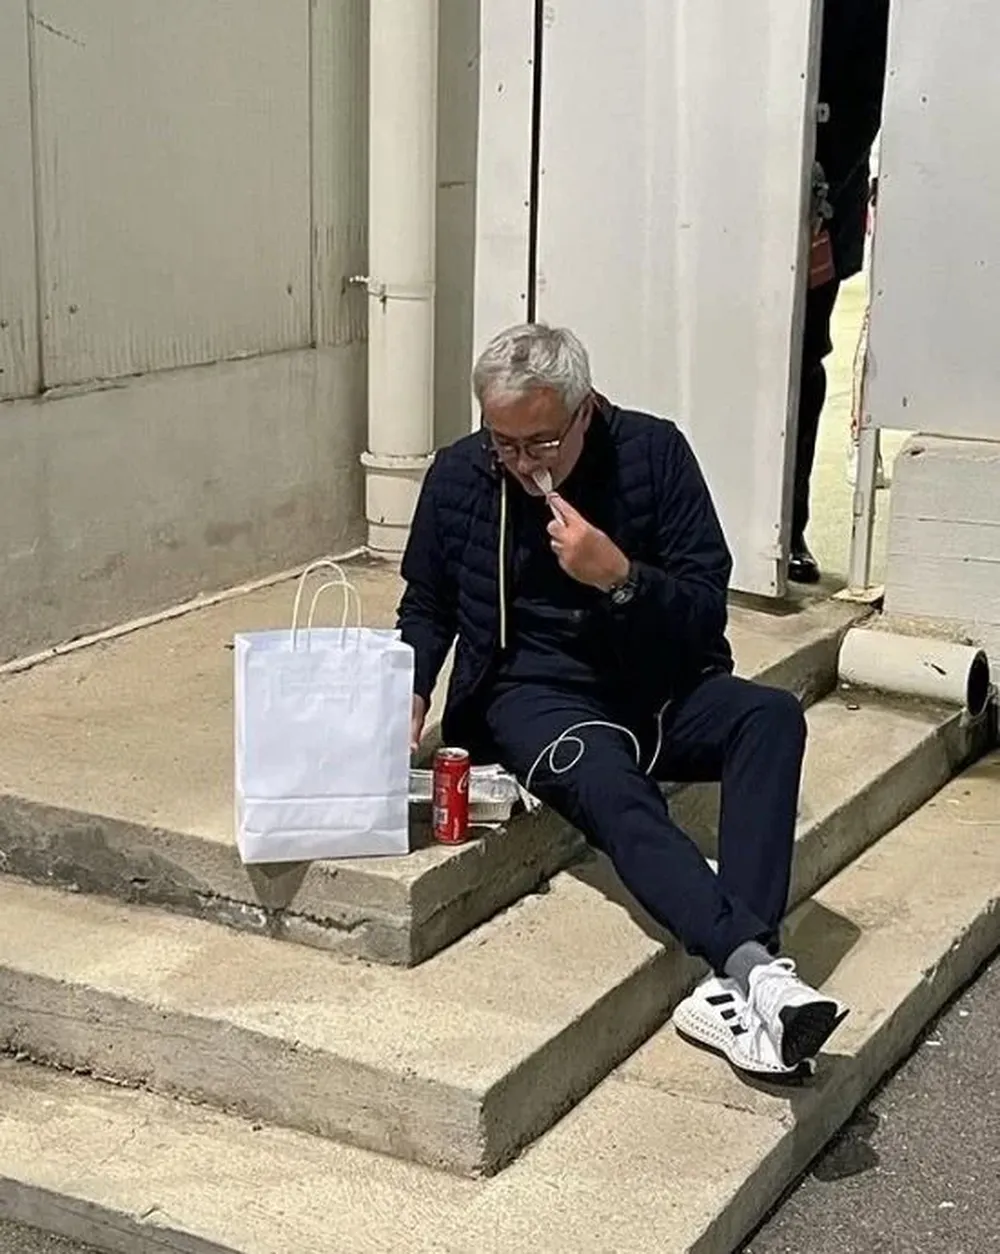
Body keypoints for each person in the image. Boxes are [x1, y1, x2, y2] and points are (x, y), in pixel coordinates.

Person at [398, 322, 847, 1079]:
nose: (521, 464)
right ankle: (754, 969)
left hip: (659, 688)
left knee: (769, 717)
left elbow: (703, 608)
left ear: (586, 409)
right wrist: (411, 687)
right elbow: (428, 603)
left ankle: (734, 988)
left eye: (541, 444)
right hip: (531, 695)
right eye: (503, 443)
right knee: (609, 782)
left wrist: (619, 577)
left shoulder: (653, 453)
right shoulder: (459, 475)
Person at [791, 0, 890, 583]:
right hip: (728, 199)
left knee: (802, 363)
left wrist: (816, 184)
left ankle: (788, 527)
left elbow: (865, 94)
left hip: (824, 202)